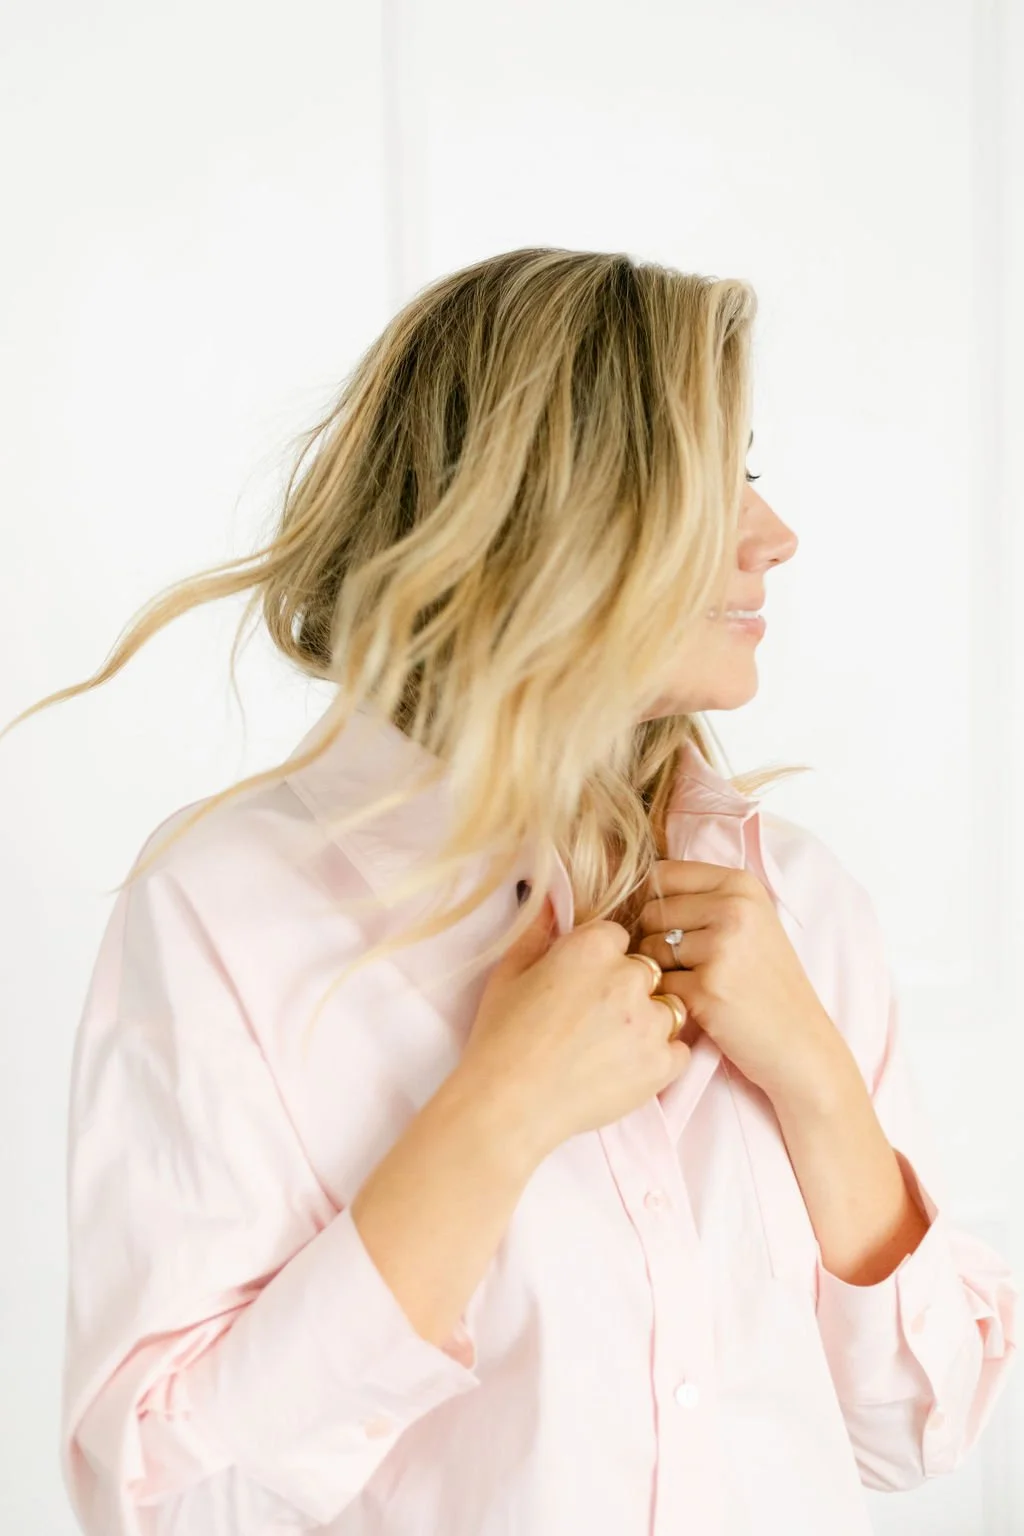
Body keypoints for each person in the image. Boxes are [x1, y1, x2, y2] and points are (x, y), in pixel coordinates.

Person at [7, 248, 1017, 1534]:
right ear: (552, 508)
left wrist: (816, 1080)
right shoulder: (230, 914)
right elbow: (174, 1500)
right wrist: (496, 1114)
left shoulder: (795, 900)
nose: (775, 536)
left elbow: (926, 1426)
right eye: (714, 478)